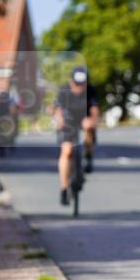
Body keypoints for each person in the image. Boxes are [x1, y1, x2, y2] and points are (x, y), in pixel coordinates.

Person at [53, 67, 99, 205]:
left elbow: (95, 110)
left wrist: (92, 121)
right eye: (76, 84)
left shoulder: (91, 91)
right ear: (71, 82)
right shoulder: (64, 91)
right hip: (68, 122)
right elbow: (58, 110)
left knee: (88, 126)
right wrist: (60, 121)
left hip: (84, 118)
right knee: (67, 151)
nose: (79, 88)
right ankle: (64, 189)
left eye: (82, 84)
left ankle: (88, 155)